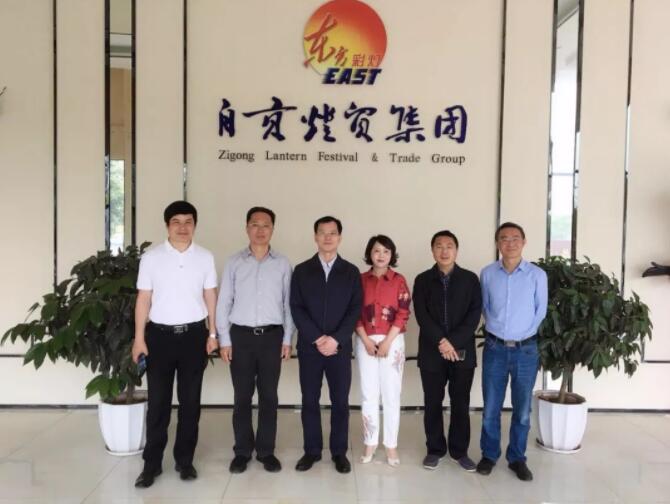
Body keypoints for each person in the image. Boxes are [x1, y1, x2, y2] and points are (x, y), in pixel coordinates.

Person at [131, 200, 219, 488]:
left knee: (190, 403)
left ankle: (185, 461)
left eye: (188, 222)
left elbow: (210, 296)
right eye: (176, 222)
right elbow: (143, 299)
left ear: (195, 225)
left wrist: (213, 334)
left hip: (194, 337)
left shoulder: (205, 257)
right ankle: (151, 465)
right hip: (159, 338)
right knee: (158, 403)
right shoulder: (151, 258)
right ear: (167, 225)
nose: (183, 227)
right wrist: (139, 338)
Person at [216, 206, 294, 474]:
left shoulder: (282, 263)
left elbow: (288, 304)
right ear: (247, 228)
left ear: (273, 229)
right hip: (240, 337)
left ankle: (265, 451)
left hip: (272, 337)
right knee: (242, 396)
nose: (260, 230)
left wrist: (287, 338)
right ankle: (242, 451)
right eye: (255, 225)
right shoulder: (234, 262)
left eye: (266, 225)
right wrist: (224, 339)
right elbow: (224, 302)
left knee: (269, 396)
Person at [290, 216, 363, 474]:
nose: (328, 237)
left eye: (333, 233)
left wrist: (336, 339)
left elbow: (355, 309)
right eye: (323, 232)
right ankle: (311, 451)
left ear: (339, 237)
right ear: (315, 237)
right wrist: (317, 338)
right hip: (310, 347)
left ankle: (339, 452)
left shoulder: (351, 272)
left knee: (340, 401)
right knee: (309, 399)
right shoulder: (302, 270)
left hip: (339, 348)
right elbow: (296, 307)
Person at [477, 222, 548, 481]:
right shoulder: (487, 273)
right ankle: (489, 454)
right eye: (504, 238)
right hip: (495, 347)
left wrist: (522, 334)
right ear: (498, 243)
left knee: (522, 409)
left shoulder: (537, 275)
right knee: (491, 407)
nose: (510, 243)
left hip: (525, 349)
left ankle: (517, 458)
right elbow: (485, 307)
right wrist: (499, 331)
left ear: (524, 242)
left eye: (515, 238)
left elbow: (540, 310)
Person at [413, 230, 482, 471]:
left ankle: (459, 451)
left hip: (462, 352)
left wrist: (452, 342)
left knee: (460, 402)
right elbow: (421, 315)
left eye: (449, 246)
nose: (444, 251)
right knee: (432, 402)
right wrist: (442, 342)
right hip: (432, 351)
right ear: (432, 250)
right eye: (439, 246)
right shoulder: (422, 280)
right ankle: (435, 449)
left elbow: (474, 315)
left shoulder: (470, 279)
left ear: (456, 250)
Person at [355, 235, 410, 467]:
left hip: (392, 340)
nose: (381, 255)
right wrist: (366, 340)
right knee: (368, 393)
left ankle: (390, 444)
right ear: (370, 253)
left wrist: (387, 342)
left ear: (392, 255)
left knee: (391, 394)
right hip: (365, 339)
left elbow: (404, 312)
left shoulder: (398, 280)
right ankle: (370, 442)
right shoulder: (359, 280)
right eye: (377, 250)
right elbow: (353, 312)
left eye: (386, 251)